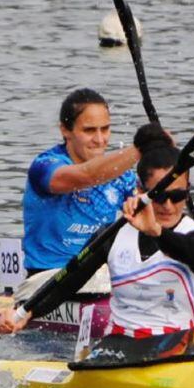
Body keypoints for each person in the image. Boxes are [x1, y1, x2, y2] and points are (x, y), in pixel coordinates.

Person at [0, 143, 194, 363]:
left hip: (184, 348)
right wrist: (24, 313)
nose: (168, 206)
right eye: (159, 196)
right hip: (120, 350)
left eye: (178, 196)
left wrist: (156, 232)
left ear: (188, 191)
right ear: (140, 189)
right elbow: (66, 283)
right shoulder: (112, 235)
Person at [21, 89, 170, 276]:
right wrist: (141, 149)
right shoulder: (44, 166)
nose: (100, 140)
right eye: (89, 130)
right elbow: (87, 176)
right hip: (46, 278)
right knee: (107, 233)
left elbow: (158, 215)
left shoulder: (122, 177)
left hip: (99, 276)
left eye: (105, 129)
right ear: (65, 130)